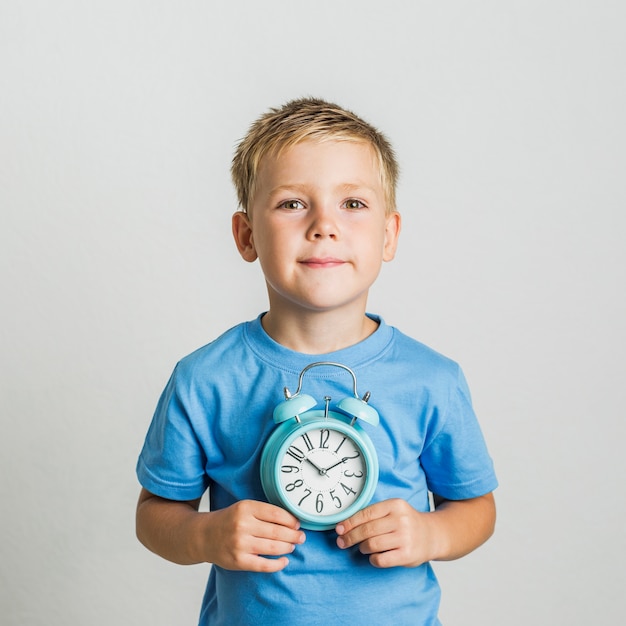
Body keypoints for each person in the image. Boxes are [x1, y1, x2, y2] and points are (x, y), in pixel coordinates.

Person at [135, 97, 498, 625]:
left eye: (352, 203)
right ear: (246, 235)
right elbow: (154, 514)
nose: (324, 225)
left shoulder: (432, 380)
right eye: (292, 203)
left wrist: (431, 532)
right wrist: (205, 534)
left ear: (390, 233)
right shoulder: (205, 380)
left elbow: (477, 508)